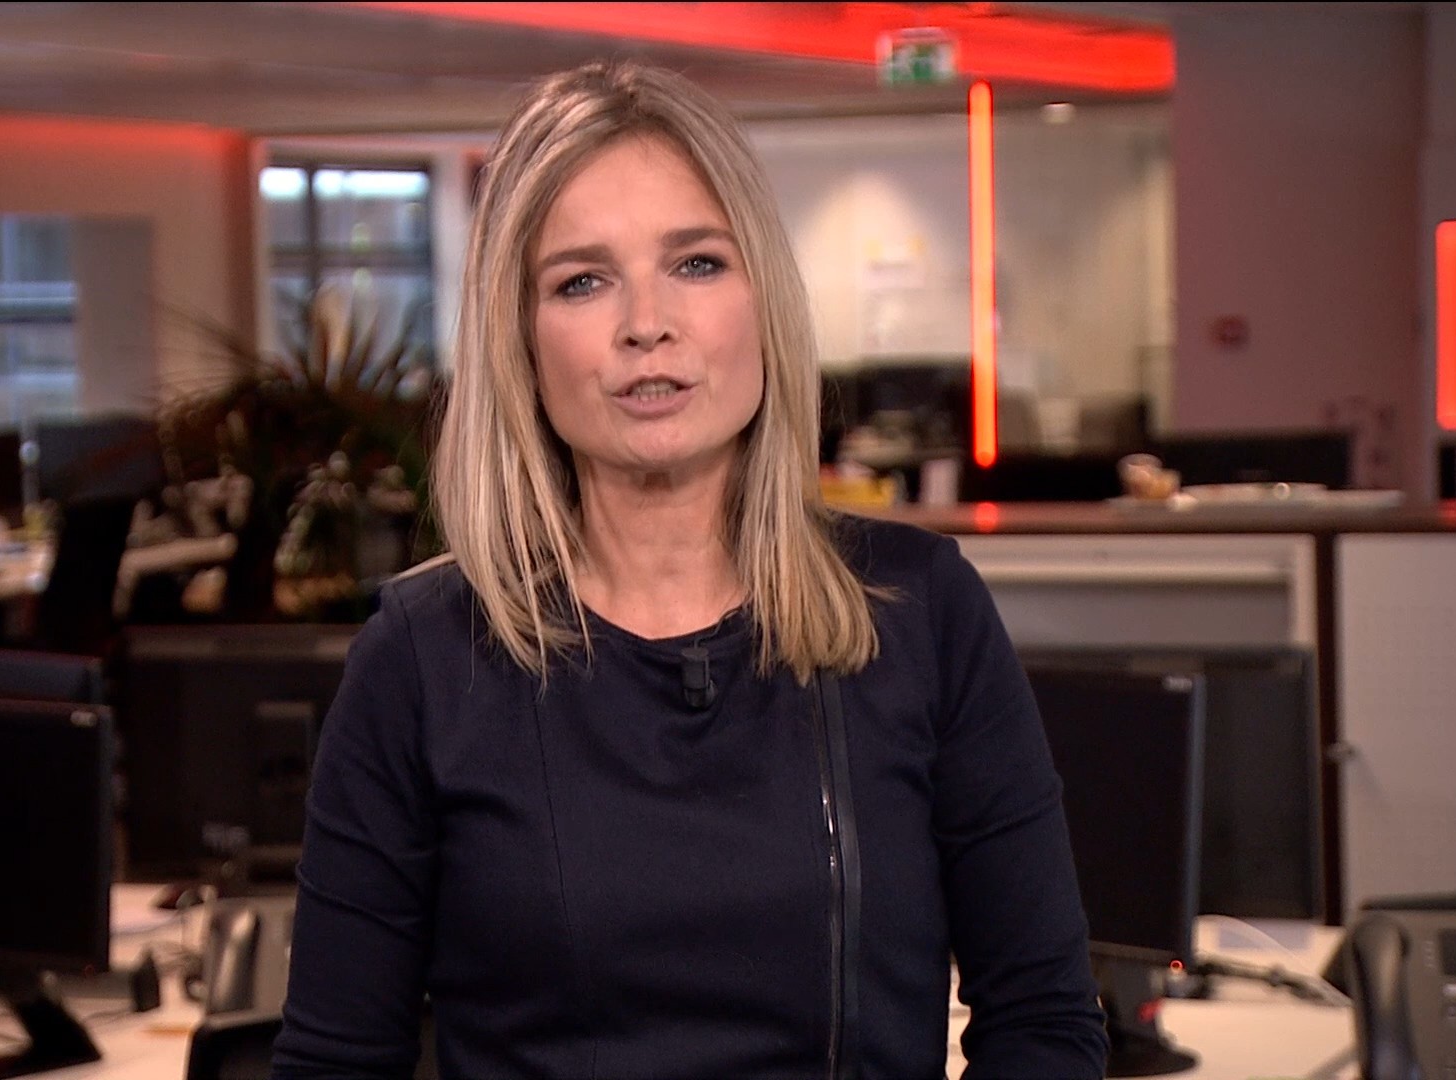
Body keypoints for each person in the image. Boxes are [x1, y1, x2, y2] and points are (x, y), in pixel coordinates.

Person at [272, 61, 1107, 1079]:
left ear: (763, 298)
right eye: (582, 281)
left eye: (697, 263)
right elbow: (335, 1064)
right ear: (519, 340)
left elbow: (1043, 1022)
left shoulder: (921, 610)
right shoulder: (421, 658)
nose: (646, 323)